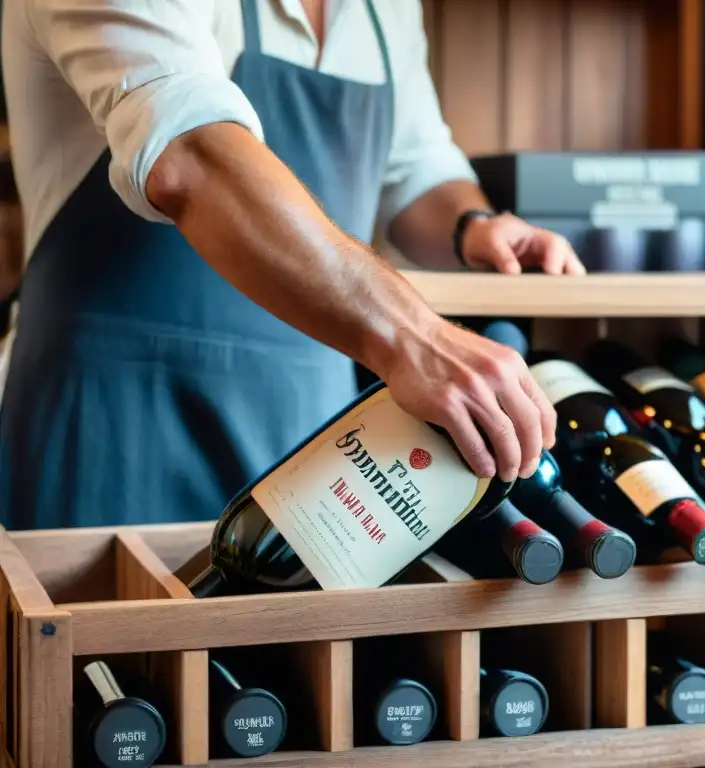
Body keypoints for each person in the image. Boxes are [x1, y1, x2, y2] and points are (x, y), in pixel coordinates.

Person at [0, 0, 586, 530]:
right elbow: (189, 156)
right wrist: (417, 339)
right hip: (113, 422)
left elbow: (414, 166)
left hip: (314, 429)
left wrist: (472, 225)